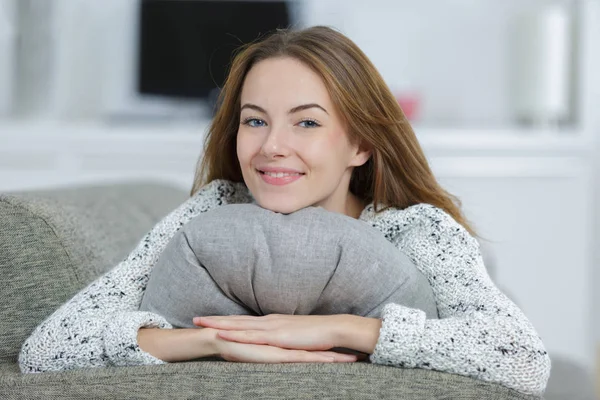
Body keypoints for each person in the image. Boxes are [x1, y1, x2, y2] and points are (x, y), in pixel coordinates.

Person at [18, 26, 550, 396]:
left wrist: (340, 329)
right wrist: (218, 340)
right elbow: (47, 348)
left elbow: (520, 356)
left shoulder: (416, 231)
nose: (272, 146)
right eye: (254, 121)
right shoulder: (213, 211)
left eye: (307, 123)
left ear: (360, 144)